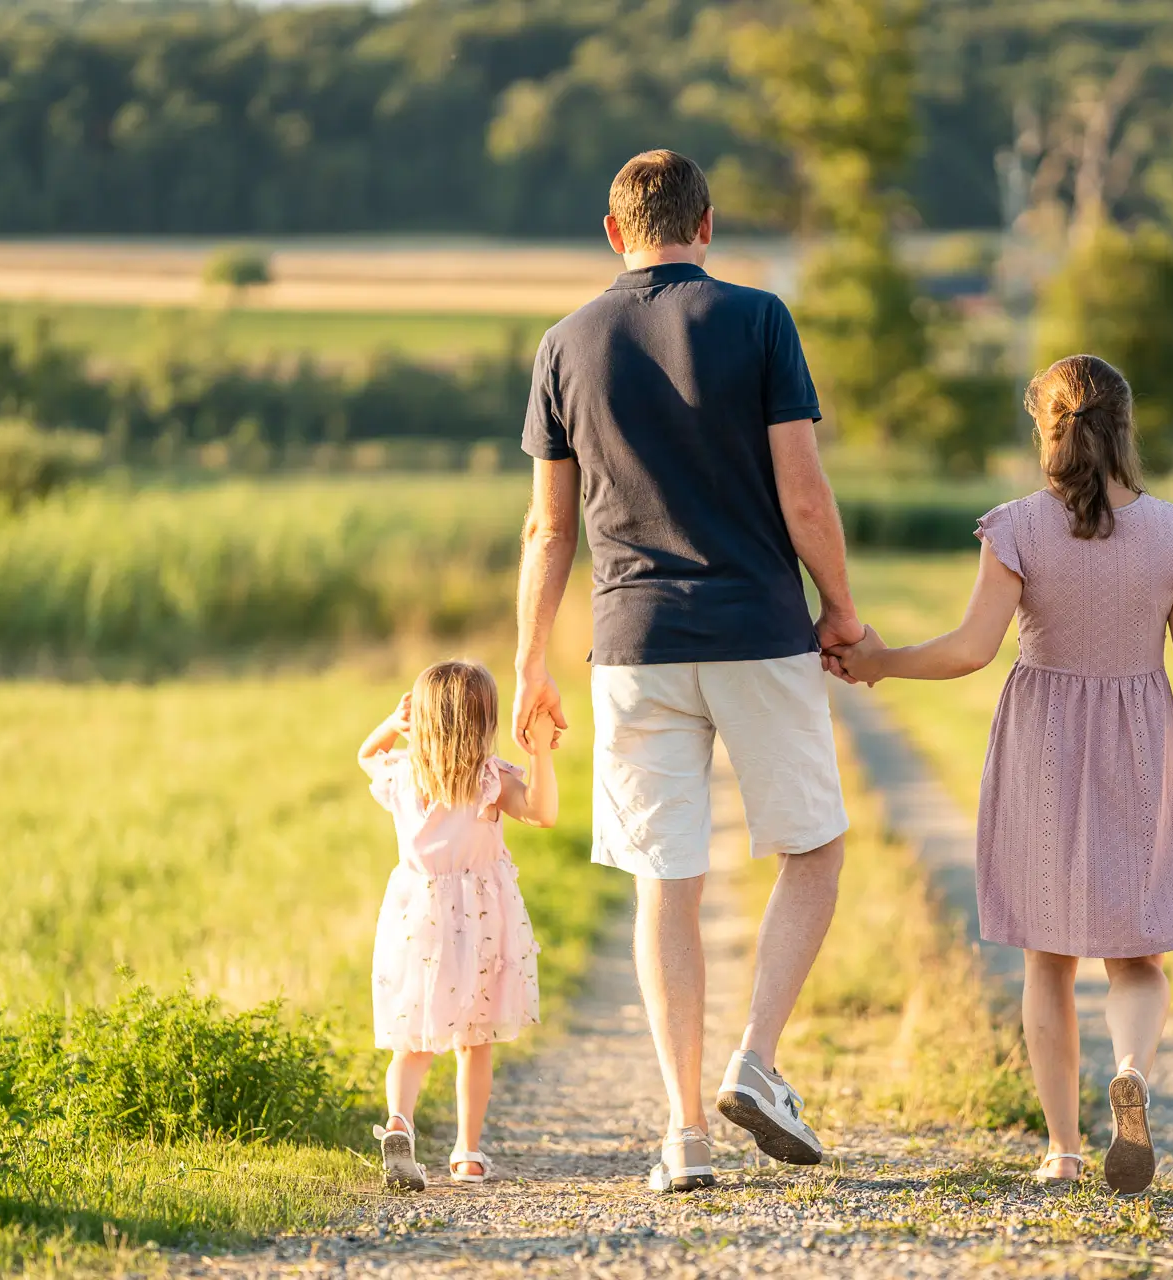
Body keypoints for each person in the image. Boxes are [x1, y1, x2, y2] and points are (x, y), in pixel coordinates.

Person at [513, 149, 864, 1193]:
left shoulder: (564, 344)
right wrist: (840, 606)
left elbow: (547, 528)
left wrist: (532, 661)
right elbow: (805, 495)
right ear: (705, 225)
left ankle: (682, 1136)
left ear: (614, 232)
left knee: (666, 883)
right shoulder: (759, 322)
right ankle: (754, 1059)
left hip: (631, 645)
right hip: (758, 627)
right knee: (814, 846)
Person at [831, 354, 1173, 1195]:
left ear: (1047, 432)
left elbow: (973, 649)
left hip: (1043, 743)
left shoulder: (1017, 527)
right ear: (1125, 429)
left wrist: (883, 662)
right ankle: (1131, 1071)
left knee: (1048, 959)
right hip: (1142, 739)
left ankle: (1062, 1150)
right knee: (1140, 956)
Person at [357, 660, 557, 1191]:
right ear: (486, 720)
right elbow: (543, 813)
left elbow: (366, 755)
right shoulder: (490, 779)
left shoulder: (404, 776)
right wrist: (538, 751)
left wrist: (389, 724)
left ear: (421, 719)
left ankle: (399, 1122)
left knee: (414, 1043)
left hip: (416, 924)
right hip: (481, 924)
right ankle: (467, 1153)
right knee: (476, 1042)